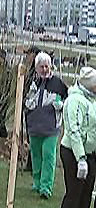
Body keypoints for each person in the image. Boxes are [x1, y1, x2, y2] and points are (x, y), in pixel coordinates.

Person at [58, 67, 96, 208]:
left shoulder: (93, 100)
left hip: (90, 153)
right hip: (72, 152)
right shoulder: (74, 100)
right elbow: (73, 130)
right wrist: (80, 158)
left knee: (87, 191)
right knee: (74, 190)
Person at [24, 52, 68, 200]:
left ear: (51, 66)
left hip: (51, 129)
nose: (44, 69)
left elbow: (68, 100)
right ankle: (36, 183)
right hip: (34, 127)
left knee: (48, 156)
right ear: (36, 68)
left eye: (46, 66)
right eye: (41, 66)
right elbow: (24, 100)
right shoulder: (32, 82)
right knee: (36, 156)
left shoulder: (58, 83)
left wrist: (61, 105)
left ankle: (46, 187)